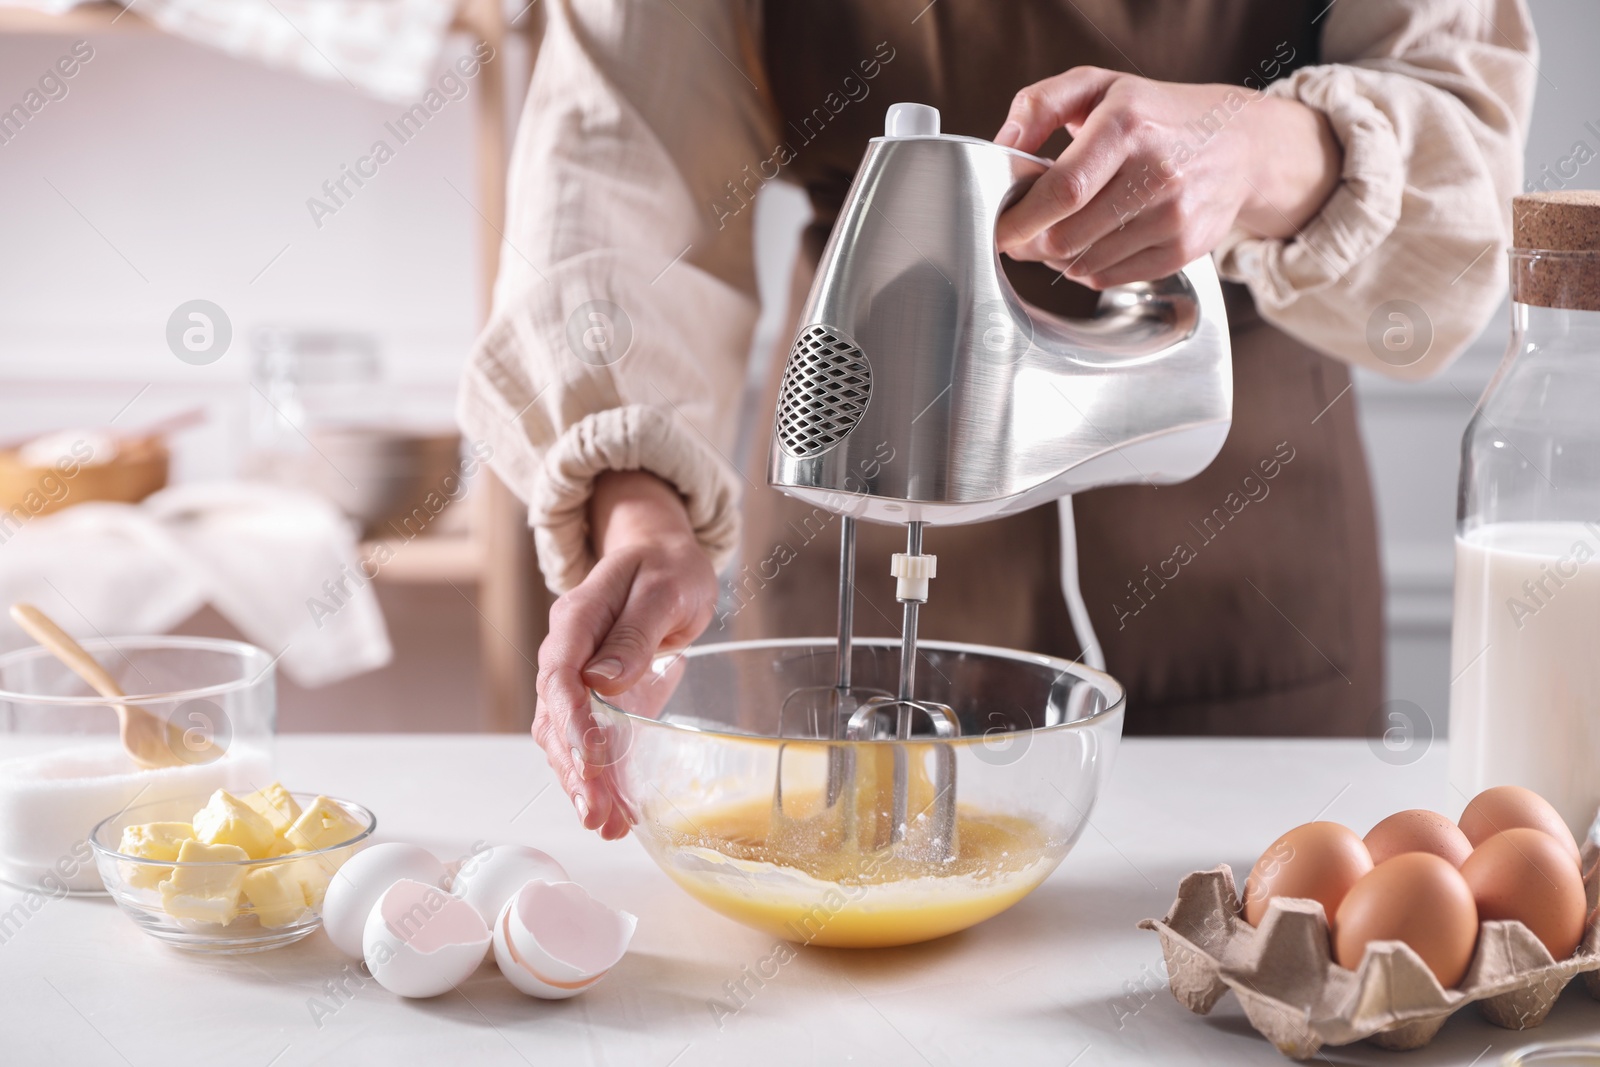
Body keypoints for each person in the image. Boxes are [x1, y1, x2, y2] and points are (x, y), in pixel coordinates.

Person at [458, 0, 1535, 838]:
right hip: (847, 543)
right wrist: (643, 516)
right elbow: (620, 167)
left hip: (1246, 571)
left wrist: (1250, 152)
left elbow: (1469, 171)